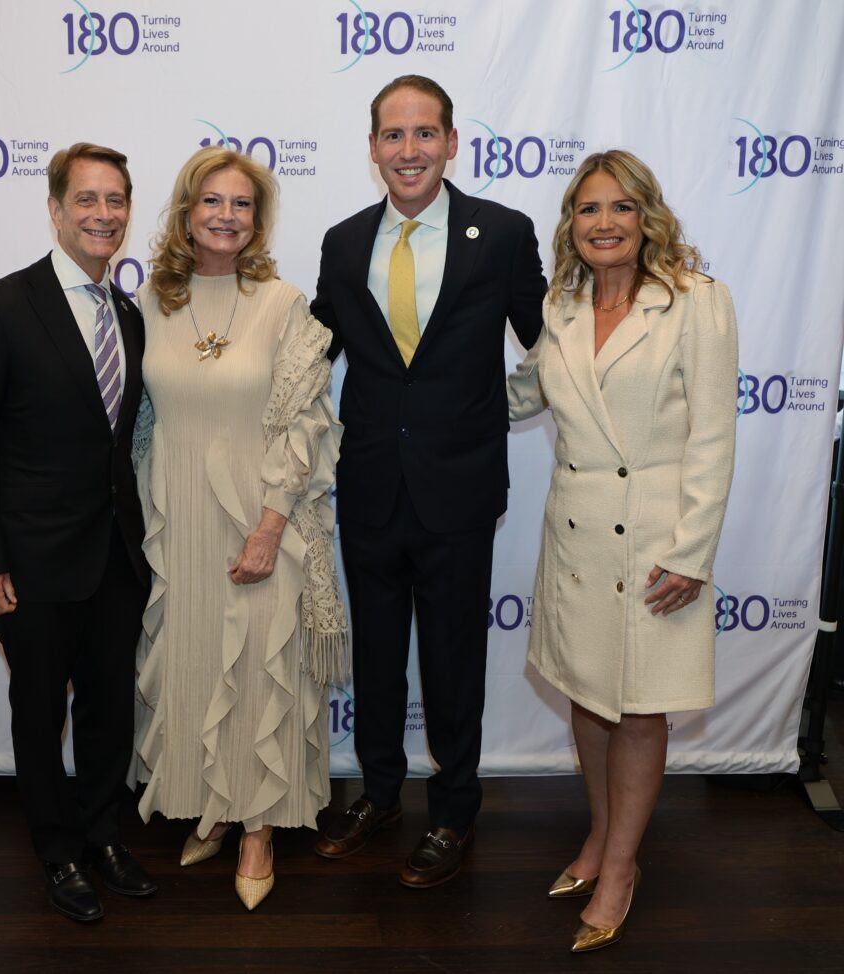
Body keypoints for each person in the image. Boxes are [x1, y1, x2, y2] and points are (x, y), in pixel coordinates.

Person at [310, 75, 547, 887]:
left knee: (452, 660)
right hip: (370, 485)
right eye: (392, 135)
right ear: (372, 147)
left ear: (452, 143)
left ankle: (452, 811)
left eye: (424, 134)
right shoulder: (343, 243)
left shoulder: (505, 233)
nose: (408, 151)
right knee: (377, 657)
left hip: (459, 491)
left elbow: (552, 343)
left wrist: (492, 409)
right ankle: (378, 793)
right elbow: (309, 356)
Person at [507, 150, 738, 952]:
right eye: (588, 209)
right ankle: (603, 839)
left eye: (621, 209)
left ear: (648, 219)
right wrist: (439, 375)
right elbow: (523, 394)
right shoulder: (561, 307)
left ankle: (621, 869)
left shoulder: (696, 303)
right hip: (574, 532)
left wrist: (691, 552)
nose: (604, 224)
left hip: (654, 541)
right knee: (587, 694)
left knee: (640, 709)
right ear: (571, 224)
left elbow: (713, 436)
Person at [0, 143, 156, 922]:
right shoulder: (0, 308)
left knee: (109, 708)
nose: (103, 214)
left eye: (117, 200)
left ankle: (103, 834)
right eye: (87, 200)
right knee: (39, 710)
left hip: (115, 557)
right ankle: (57, 851)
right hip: (27, 564)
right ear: (56, 208)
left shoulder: (127, 313)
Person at [130, 146, 346, 911]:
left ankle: (259, 827)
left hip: (263, 521)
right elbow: (138, 420)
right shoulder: (153, 300)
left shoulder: (284, 303)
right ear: (186, 212)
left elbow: (306, 425)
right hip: (177, 520)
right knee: (193, 664)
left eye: (242, 205)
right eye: (212, 202)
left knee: (261, 670)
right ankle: (213, 806)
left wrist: (269, 524)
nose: (226, 216)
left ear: (259, 220)